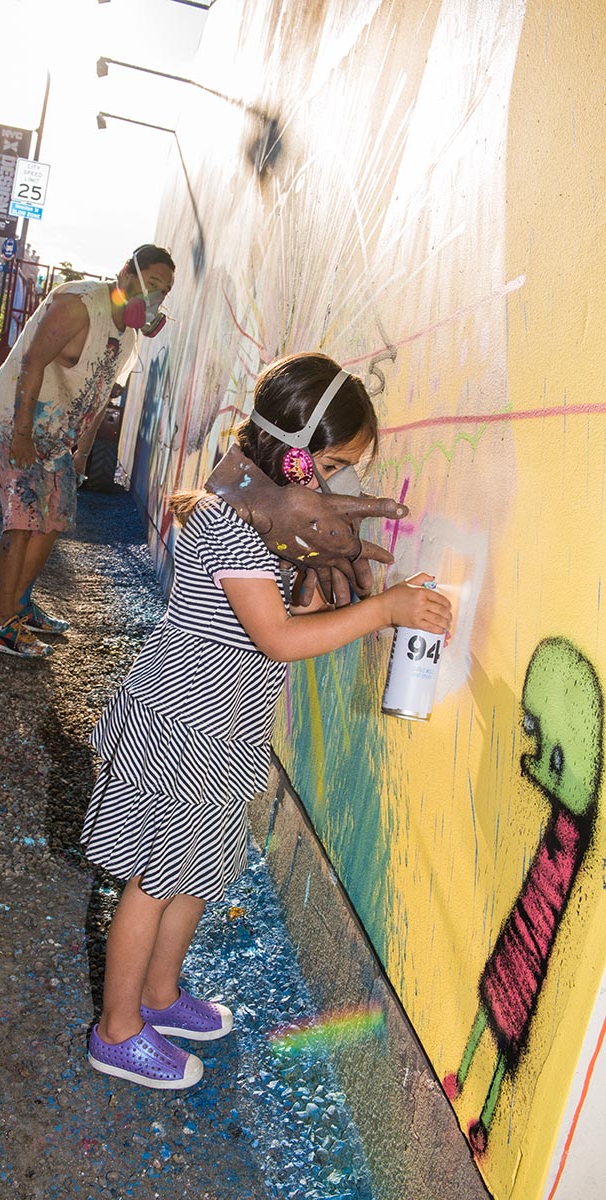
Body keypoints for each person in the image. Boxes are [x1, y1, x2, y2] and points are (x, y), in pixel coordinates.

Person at [81, 351, 453, 1089]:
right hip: (185, 723)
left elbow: (291, 619)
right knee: (153, 883)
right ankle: (116, 1030)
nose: (345, 478)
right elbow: (276, 638)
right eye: (339, 461)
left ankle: (159, 995)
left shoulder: (271, 522)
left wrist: (318, 584)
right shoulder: (230, 527)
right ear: (297, 456)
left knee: (190, 873)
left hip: (224, 727)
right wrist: (380, 610)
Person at [0, 243, 175, 659]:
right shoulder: (79, 304)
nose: (155, 297)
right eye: (152, 284)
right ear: (126, 274)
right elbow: (31, 361)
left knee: (54, 520)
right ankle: (2, 625)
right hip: (17, 422)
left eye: (164, 291)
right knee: (23, 520)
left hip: (56, 437)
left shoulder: (128, 335)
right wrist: (23, 433)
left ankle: (21, 607)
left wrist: (81, 453)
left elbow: (100, 397)